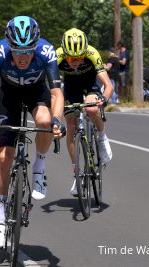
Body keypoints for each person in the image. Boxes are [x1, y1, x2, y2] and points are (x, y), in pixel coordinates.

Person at [0, 16, 65, 249]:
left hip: (37, 93)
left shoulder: (47, 51)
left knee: (46, 121)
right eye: (17, 51)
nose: (22, 57)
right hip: (8, 97)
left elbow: (57, 94)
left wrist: (58, 120)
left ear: (36, 45)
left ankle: (39, 167)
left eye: (28, 51)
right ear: (9, 46)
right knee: (3, 158)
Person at [56, 28, 113, 196]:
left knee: (91, 108)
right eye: (72, 58)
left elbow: (109, 85)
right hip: (71, 87)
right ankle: (77, 173)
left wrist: (104, 99)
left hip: (90, 85)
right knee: (71, 127)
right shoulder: (57, 55)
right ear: (65, 53)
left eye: (80, 57)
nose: (75, 61)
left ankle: (101, 137)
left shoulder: (92, 53)